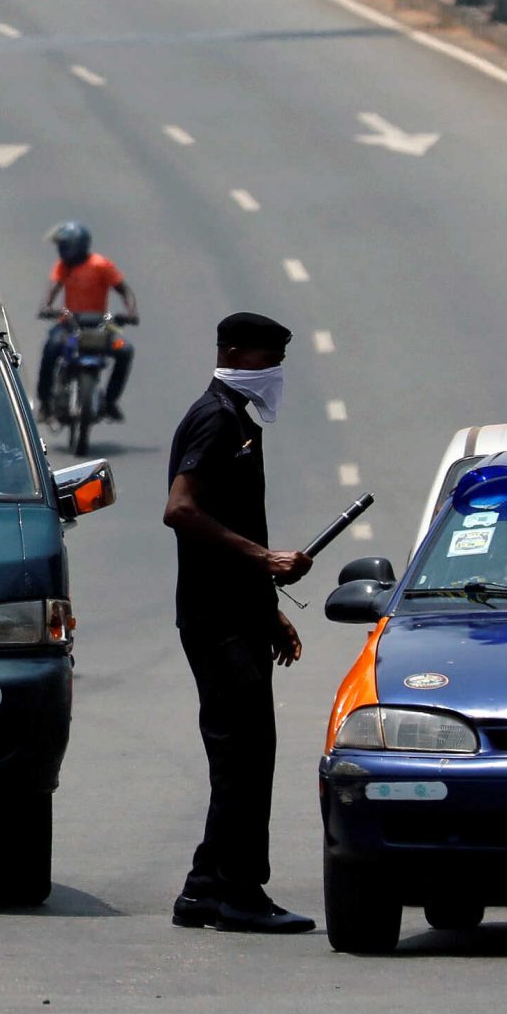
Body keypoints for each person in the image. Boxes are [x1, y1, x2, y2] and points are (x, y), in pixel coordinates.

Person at [163, 311, 316, 935]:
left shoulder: (239, 420)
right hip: (215, 619)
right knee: (245, 755)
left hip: (238, 612)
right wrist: (265, 559)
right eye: (266, 358)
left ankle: (203, 890)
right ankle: (240, 895)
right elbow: (180, 509)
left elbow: (235, 522)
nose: (275, 371)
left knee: (243, 753)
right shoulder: (216, 417)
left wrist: (268, 606)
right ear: (232, 352)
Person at [36, 221, 138, 423]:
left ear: (76, 245)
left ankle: (110, 402)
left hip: (99, 326)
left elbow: (124, 290)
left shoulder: (101, 265)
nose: (61, 250)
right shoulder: (63, 267)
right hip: (70, 325)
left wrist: (131, 312)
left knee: (125, 350)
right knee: (51, 348)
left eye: (64, 245)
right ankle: (45, 403)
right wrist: (47, 307)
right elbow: (53, 288)